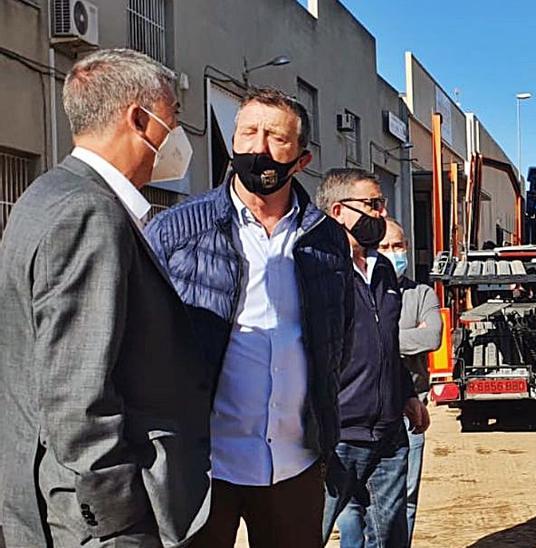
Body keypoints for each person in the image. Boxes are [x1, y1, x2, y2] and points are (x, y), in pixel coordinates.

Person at [0, 48, 211, 547]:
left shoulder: (46, 194)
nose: (177, 139)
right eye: (173, 121)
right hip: (94, 517)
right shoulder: (89, 213)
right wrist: (116, 517)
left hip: (56, 498)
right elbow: (77, 393)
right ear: (141, 119)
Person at [145, 87, 353, 547]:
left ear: (302, 159)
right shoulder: (177, 230)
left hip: (295, 464)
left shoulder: (326, 239)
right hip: (204, 466)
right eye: (248, 133)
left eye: (277, 137)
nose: (259, 148)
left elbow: (339, 337)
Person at [318, 170, 428, 547]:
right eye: (372, 205)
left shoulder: (382, 270)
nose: (381, 214)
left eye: (381, 204)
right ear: (337, 211)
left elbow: (384, 344)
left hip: (388, 433)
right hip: (336, 438)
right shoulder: (314, 269)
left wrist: (407, 394)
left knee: (389, 537)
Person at [335, 218, 441, 543]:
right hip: (352, 420)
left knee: (401, 503)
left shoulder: (418, 292)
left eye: (398, 246)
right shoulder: (344, 286)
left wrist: (379, 338)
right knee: (349, 508)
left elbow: (433, 336)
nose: (392, 253)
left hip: (405, 412)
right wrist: (385, 338)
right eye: (385, 247)